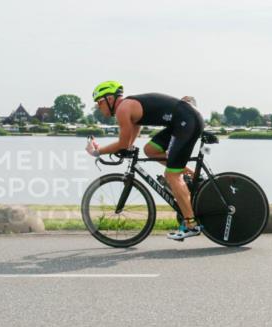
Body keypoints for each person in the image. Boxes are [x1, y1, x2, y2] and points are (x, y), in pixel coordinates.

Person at [88, 81, 205, 241]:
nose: (98, 106)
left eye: (99, 102)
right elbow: (128, 143)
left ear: (109, 98)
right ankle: (193, 176)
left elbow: (122, 144)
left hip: (186, 121)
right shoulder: (128, 109)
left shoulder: (123, 109)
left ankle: (191, 225)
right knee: (150, 150)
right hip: (182, 121)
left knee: (172, 176)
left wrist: (97, 151)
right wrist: (123, 149)